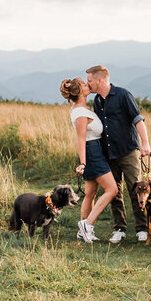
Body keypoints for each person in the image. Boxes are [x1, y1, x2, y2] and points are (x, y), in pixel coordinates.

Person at [86, 65, 151, 243]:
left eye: (90, 81)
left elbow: (137, 119)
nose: (88, 84)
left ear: (100, 80)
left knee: (137, 188)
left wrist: (145, 143)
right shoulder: (97, 101)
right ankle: (119, 229)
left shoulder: (123, 95)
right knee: (114, 191)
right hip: (109, 153)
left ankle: (142, 228)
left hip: (128, 151)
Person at [60, 77, 118, 243]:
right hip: (92, 153)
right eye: (84, 85)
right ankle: (87, 226)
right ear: (80, 92)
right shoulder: (79, 113)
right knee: (112, 189)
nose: (88, 86)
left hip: (94, 150)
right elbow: (81, 139)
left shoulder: (82, 109)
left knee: (90, 193)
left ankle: (82, 231)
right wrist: (83, 163)